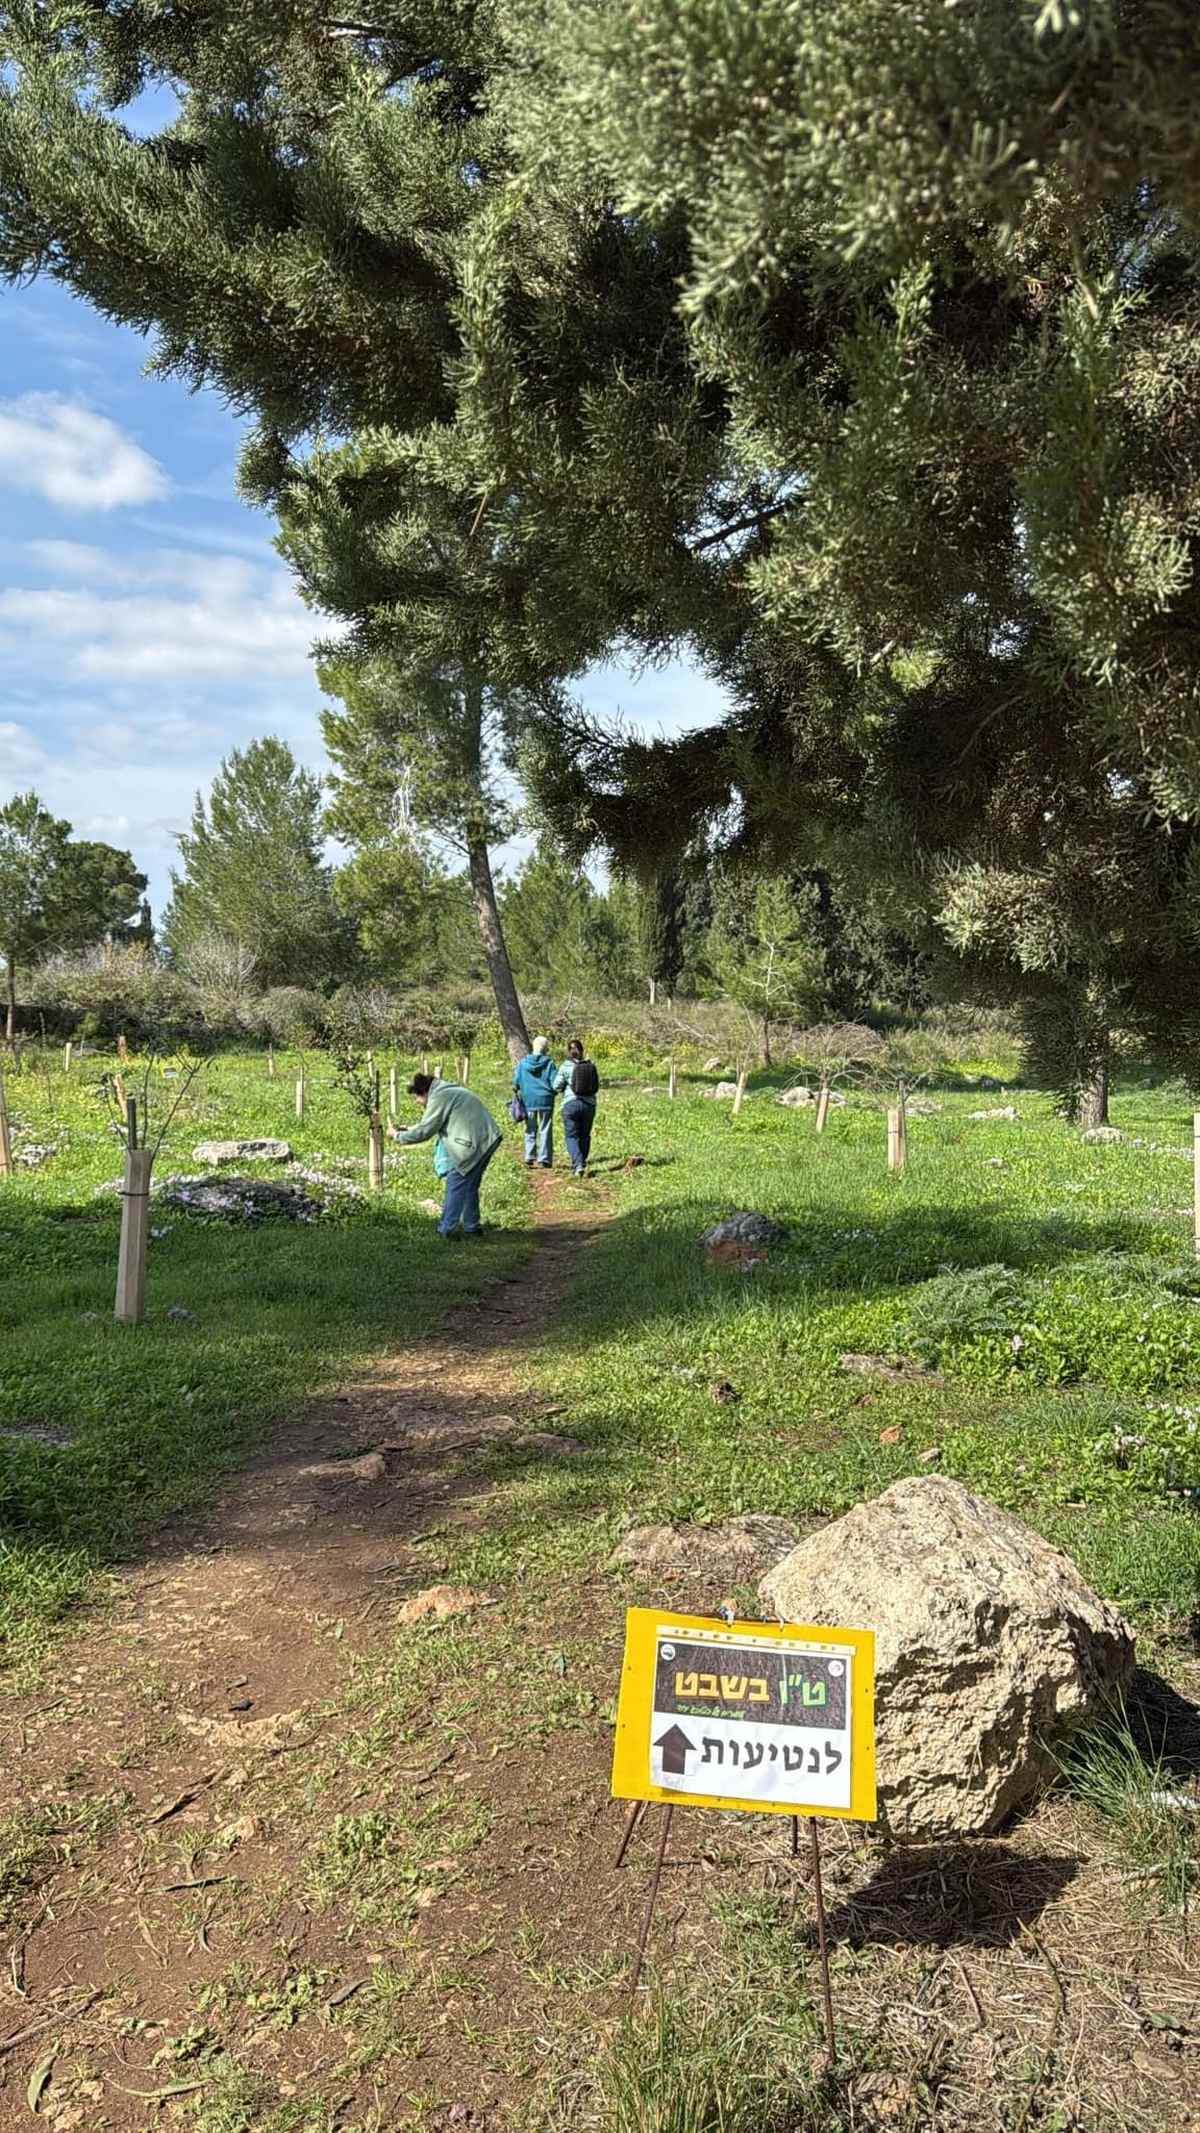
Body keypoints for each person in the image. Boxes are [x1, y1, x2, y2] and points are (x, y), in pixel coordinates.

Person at [391, 1071, 502, 1238]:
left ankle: (446, 1230)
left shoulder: (439, 1097)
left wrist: (397, 1136)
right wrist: (408, 1129)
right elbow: (431, 1123)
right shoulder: (447, 1091)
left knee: (455, 1183)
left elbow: (426, 1130)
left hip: (473, 1144)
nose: (417, 1102)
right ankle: (472, 1227)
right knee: (469, 1186)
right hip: (488, 1138)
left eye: (417, 1097)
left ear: (425, 1092)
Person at [554, 1037, 600, 1176]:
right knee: (585, 1135)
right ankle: (582, 1161)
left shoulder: (565, 1066)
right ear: (582, 1051)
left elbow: (556, 1086)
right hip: (589, 1105)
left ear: (569, 1052)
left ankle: (578, 1164)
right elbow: (596, 1085)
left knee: (571, 1136)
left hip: (571, 1104)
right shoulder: (590, 1065)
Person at [512, 1034, 557, 1167]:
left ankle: (529, 1155)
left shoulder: (523, 1063)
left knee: (530, 1128)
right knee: (545, 1129)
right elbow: (555, 1082)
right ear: (545, 1048)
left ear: (533, 1047)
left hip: (529, 1101)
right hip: (546, 1100)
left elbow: (515, 1083)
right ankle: (544, 1159)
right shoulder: (549, 1063)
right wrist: (553, 1093)